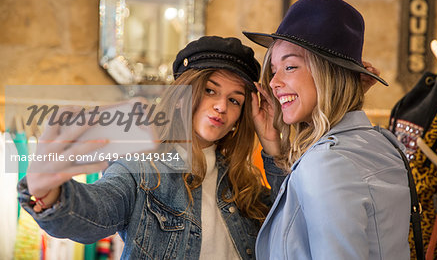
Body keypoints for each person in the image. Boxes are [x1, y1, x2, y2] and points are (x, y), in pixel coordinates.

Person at [17, 36, 286, 260]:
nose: (221, 106)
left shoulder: (245, 187)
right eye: (210, 91)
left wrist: (275, 151)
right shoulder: (142, 170)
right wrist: (49, 195)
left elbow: (294, 232)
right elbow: (96, 212)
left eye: (235, 100)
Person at [243, 0, 411, 259]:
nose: (273, 83)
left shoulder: (326, 163)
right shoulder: (379, 144)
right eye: (274, 70)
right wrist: (276, 151)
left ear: (327, 74)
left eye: (290, 67)